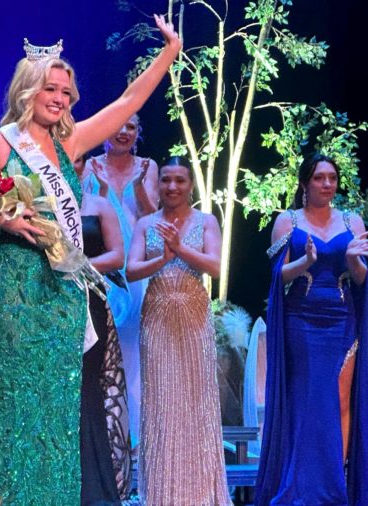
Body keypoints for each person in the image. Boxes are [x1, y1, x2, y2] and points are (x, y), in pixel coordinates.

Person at [0, 15, 180, 503]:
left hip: (61, 293)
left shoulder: (70, 142)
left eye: (66, 91)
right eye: (51, 89)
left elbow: (128, 102)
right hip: (14, 291)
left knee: (59, 407)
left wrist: (169, 52)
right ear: (28, 90)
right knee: (15, 402)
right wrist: (2, 221)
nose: (61, 98)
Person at [256, 153, 368, 505]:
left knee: (340, 399)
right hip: (301, 320)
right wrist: (305, 260)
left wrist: (352, 261)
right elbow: (279, 276)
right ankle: (302, 485)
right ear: (305, 182)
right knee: (307, 401)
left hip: (341, 319)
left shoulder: (352, 221)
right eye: (319, 178)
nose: (326, 184)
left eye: (332, 178)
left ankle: (336, 481)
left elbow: (362, 278)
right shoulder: (287, 221)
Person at [126, 158, 230, 504]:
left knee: (195, 398)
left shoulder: (206, 221)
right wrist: (163, 258)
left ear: (190, 185)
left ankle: (198, 491)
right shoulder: (145, 223)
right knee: (161, 399)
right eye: (166, 180)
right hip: (157, 312)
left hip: (194, 311)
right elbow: (131, 270)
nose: (172, 187)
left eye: (179, 181)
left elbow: (214, 267)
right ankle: (161, 491)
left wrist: (180, 248)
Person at [83, 113, 157, 448]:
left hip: (135, 268)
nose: (123, 131)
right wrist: (99, 188)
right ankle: (100, 437)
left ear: (139, 133)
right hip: (97, 267)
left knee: (132, 353)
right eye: (118, 125)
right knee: (98, 348)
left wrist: (139, 186)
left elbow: (154, 217)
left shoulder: (148, 167)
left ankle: (133, 441)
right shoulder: (88, 166)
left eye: (131, 127)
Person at [72, 158, 132, 503]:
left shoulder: (98, 206)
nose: (73, 164)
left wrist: (77, 266)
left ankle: (94, 488)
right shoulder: (41, 202)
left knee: (88, 389)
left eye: (79, 159)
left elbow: (117, 255)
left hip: (90, 301)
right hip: (51, 304)